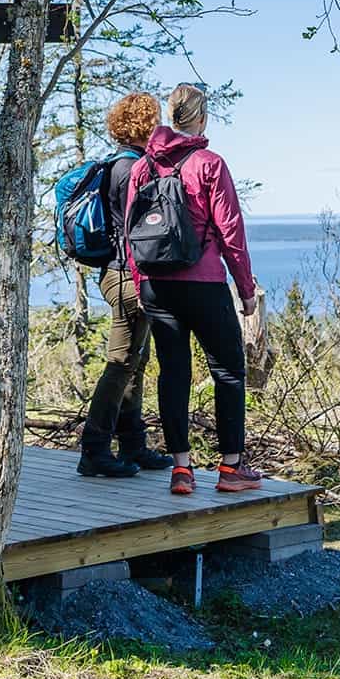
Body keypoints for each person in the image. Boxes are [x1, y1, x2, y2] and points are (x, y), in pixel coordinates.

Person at [126, 83, 263, 495]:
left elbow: (130, 233)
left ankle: (181, 470)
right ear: (202, 119)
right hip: (202, 283)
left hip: (155, 286)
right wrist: (246, 287)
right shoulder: (209, 163)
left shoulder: (142, 168)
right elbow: (230, 232)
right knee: (228, 370)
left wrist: (140, 281)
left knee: (173, 373)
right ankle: (231, 468)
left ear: (170, 116)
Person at [77, 93, 176, 478]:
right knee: (120, 363)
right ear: (143, 126)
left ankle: (133, 445)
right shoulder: (131, 169)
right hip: (126, 275)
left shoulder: (119, 164)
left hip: (118, 273)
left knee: (135, 361)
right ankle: (94, 449)